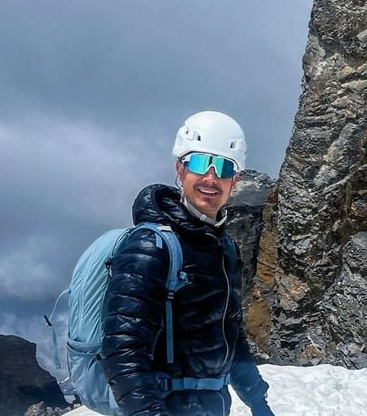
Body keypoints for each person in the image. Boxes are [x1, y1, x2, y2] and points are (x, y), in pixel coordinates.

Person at [99, 111, 274, 415]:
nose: (210, 177)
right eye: (197, 163)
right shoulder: (150, 246)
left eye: (222, 167)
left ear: (235, 180)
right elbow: (122, 351)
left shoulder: (225, 248)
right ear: (179, 168)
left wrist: (259, 403)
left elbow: (229, 333)